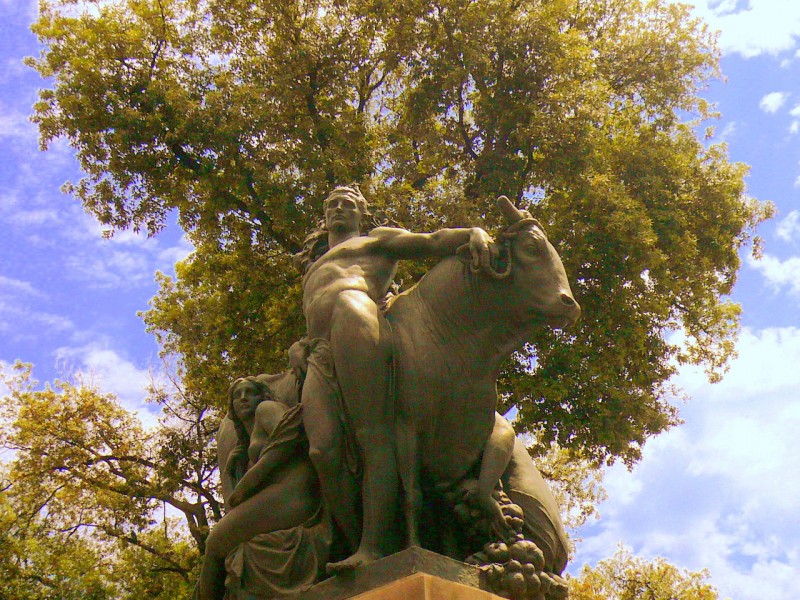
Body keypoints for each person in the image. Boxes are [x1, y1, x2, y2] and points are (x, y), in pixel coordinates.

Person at [295, 184, 497, 571]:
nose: (339, 209)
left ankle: (373, 548)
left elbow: (432, 241)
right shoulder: (314, 264)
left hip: (358, 329)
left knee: (375, 436)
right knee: (323, 450)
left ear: (361, 214)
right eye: (331, 204)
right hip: (320, 353)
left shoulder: (377, 241)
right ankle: (353, 538)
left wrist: (472, 232)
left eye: (348, 204)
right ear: (324, 215)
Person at [195, 377, 327, 600]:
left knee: (215, 542)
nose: (244, 398)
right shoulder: (244, 447)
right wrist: (232, 473)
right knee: (221, 544)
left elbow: (293, 435)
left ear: (262, 396)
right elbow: (236, 505)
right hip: (281, 496)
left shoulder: (266, 409)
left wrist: (251, 478)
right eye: (238, 395)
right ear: (232, 407)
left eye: (250, 392)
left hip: (295, 492)